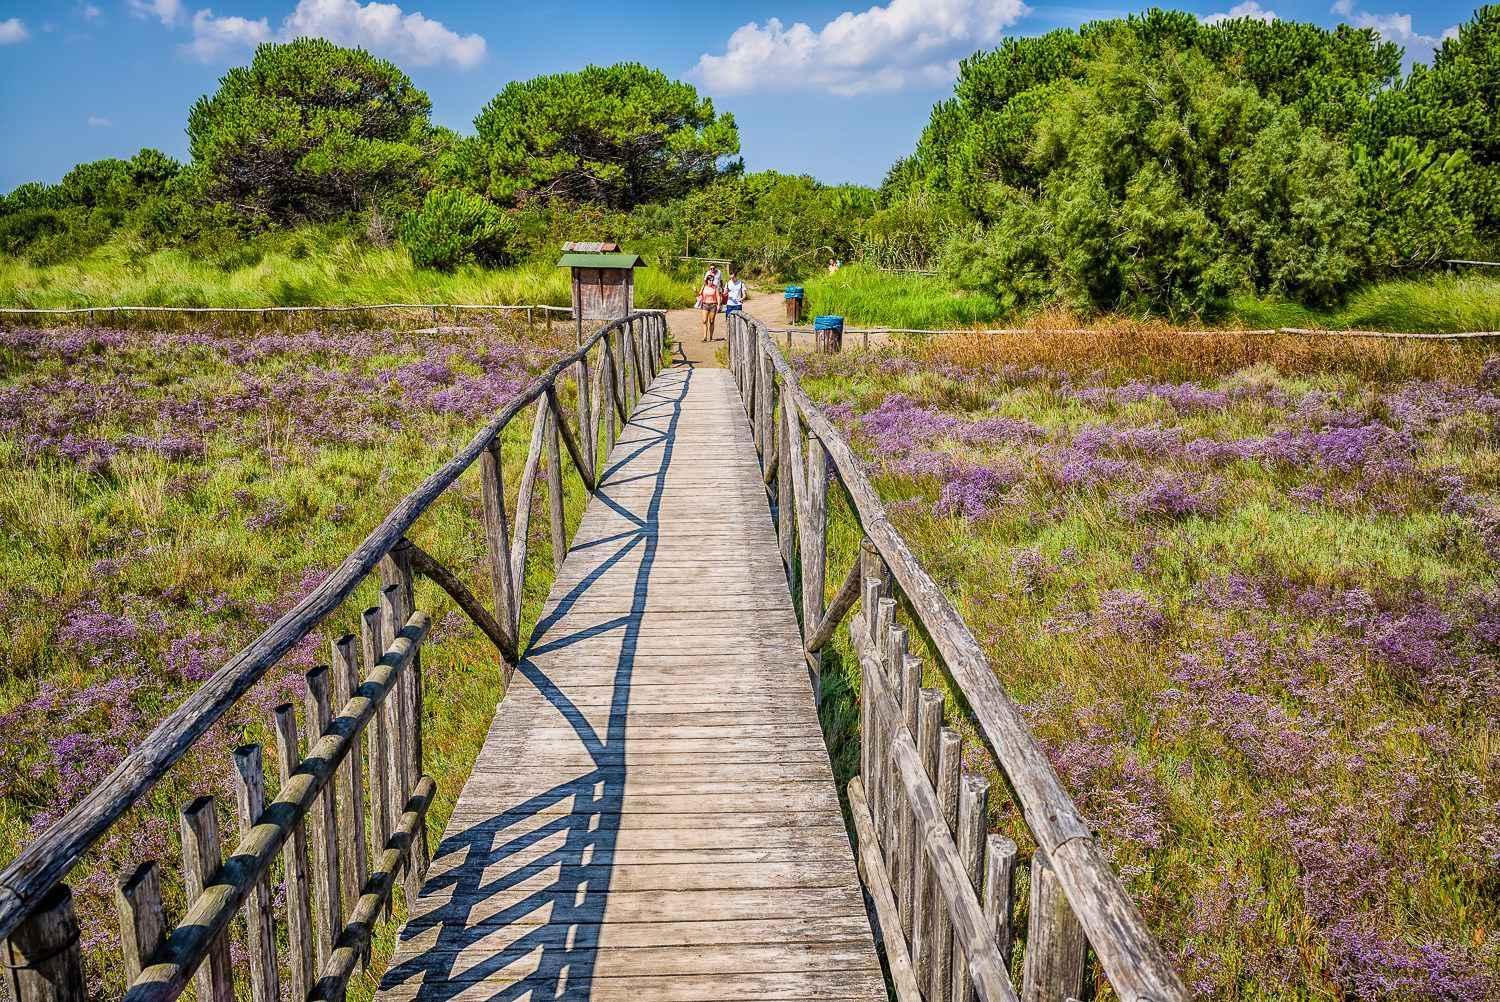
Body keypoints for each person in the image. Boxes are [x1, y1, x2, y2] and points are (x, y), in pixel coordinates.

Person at [696, 267, 724, 341]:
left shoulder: (715, 287)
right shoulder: (704, 286)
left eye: (712, 280)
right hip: (705, 304)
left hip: (713, 305)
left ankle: (711, 337)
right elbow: (699, 295)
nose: (711, 282)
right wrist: (695, 291)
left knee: (711, 321)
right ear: (707, 280)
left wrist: (718, 305)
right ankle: (705, 337)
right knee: (704, 321)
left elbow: (718, 296)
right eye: (710, 280)